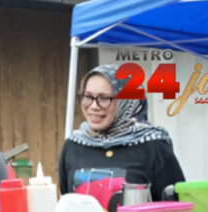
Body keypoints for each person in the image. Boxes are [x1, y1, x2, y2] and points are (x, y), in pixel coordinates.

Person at [59, 64, 185, 203]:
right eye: (88, 97)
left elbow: (175, 207)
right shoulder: (73, 145)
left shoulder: (153, 146)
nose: (93, 106)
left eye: (104, 98)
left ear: (127, 101)